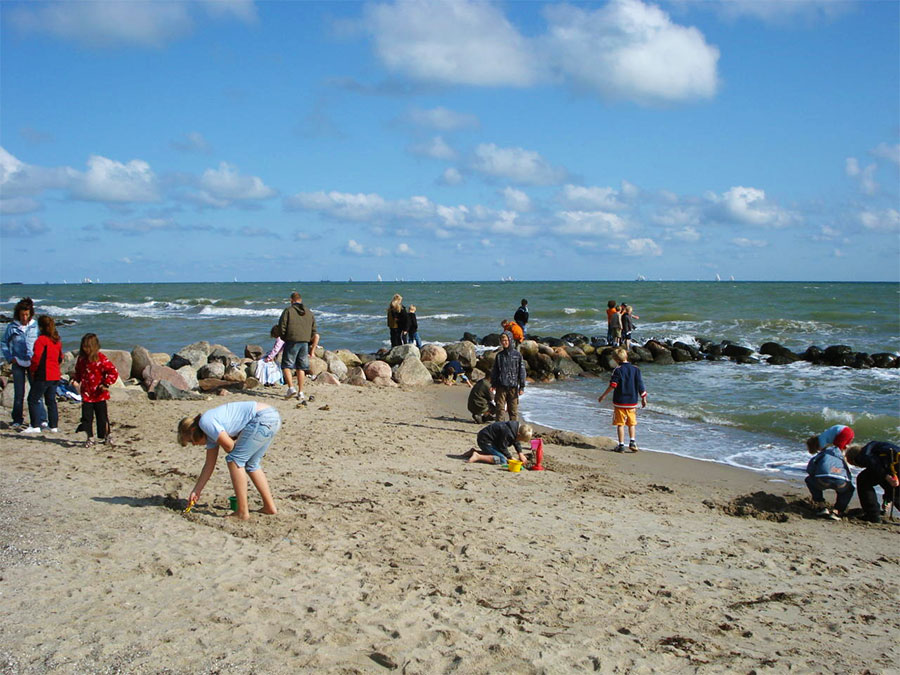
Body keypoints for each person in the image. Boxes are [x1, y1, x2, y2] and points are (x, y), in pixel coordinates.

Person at [178, 401, 280, 521]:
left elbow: (230, 447)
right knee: (251, 464)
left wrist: (232, 443)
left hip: (261, 418)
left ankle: (242, 512)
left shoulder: (205, 422)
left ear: (193, 430)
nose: (194, 444)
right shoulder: (211, 435)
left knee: (234, 460)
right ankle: (269, 507)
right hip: (272, 417)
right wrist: (197, 490)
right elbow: (209, 465)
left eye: (191, 441)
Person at [1, 297, 43, 430]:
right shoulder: (12, 327)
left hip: (33, 363)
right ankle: (17, 419)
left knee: (36, 393)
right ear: (18, 314)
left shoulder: (36, 327)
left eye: (26, 314)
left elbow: (43, 342)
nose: (24, 317)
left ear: (30, 314)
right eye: (22, 315)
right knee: (19, 393)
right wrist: (9, 357)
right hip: (18, 362)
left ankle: (41, 419)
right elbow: (4, 343)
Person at [73, 333, 119, 447]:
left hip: (99, 394)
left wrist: (106, 383)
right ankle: (90, 437)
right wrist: (75, 380)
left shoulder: (101, 358)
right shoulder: (81, 359)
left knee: (102, 417)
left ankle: (107, 436)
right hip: (87, 394)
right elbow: (78, 372)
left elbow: (113, 372)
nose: (85, 349)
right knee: (86, 418)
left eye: (88, 347)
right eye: (83, 346)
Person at [597, 347, 647, 452]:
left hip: (619, 402)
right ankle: (632, 441)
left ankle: (621, 445)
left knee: (620, 424)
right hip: (632, 402)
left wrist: (604, 395)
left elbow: (613, 385)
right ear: (626, 356)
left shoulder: (618, 370)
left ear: (616, 360)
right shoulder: (636, 369)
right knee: (631, 423)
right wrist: (644, 397)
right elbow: (640, 385)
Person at [22, 315, 63, 434]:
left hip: (44, 374)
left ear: (40, 327)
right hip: (55, 374)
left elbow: (36, 358)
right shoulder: (56, 340)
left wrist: (33, 370)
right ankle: (53, 426)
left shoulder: (41, 340)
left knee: (33, 399)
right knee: (51, 400)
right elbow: (60, 357)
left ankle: (35, 425)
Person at [277, 291, 319, 401]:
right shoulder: (309, 312)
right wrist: (309, 341)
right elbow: (314, 329)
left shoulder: (288, 311)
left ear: (291, 300)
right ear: (300, 300)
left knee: (286, 365)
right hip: (304, 342)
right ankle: (301, 392)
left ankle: (291, 388)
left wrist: (283, 337)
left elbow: (282, 326)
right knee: (301, 367)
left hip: (292, 340)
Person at [845, 441, 900, 524]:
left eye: (855, 464)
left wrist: (886, 476)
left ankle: (872, 515)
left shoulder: (863, 454)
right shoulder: (875, 450)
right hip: (896, 465)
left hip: (894, 466)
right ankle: (873, 514)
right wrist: (886, 500)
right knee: (896, 493)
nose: (859, 466)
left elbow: (874, 465)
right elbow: (887, 484)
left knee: (863, 479)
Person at [805, 436, 854, 521]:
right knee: (849, 489)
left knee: (809, 480)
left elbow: (810, 469)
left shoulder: (823, 454)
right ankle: (837, 511)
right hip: (840, 480)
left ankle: (822, 506)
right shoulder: (841, 455)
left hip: (823, 480)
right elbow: (848, 472)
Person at [490, 331, 526, 421]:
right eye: (502, 340)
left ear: (510, 340)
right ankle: (499, 429)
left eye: (506, 340)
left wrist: (522, 386)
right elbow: (495, 371)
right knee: (499, 410)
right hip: (500, 386)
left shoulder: (517, 355)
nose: (504, 342)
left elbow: (522, 371)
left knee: (513, 411)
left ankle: (513, 430)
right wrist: (493, 384)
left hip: (513, 387)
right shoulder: (499, 356)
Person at [462, 420, 533, 466]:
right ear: (518, 434)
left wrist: (520, 453)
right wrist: (510, 457)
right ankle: (478, 456)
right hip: (485, 441)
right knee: (502, 459)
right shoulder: (508, 432)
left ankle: (473, 452)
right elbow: (502, 447)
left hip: (491, 440)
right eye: (520, 439)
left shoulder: (515, 429)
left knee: (499, 454)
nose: (519, 441)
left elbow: (516, 441)